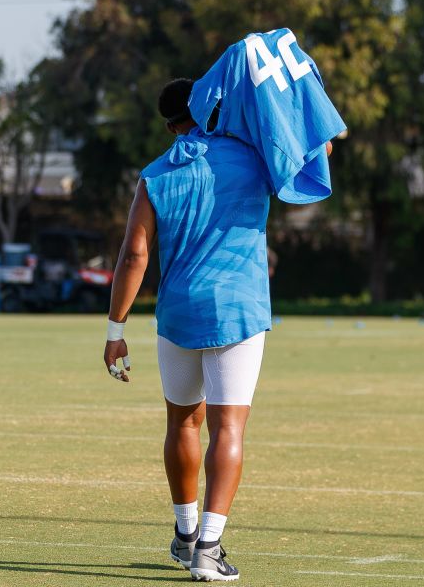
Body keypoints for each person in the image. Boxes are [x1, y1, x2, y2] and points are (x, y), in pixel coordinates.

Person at [104, 78, 333, 582]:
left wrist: (115, 328)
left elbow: (135, 255)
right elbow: (320, 148)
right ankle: (209, 545)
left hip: (178, 314)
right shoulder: (250, 155)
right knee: (228, 427)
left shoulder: (154, 173)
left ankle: (186, 536)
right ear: (213, 107)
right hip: (238, 311)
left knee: (182, 423)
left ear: (168, 124)